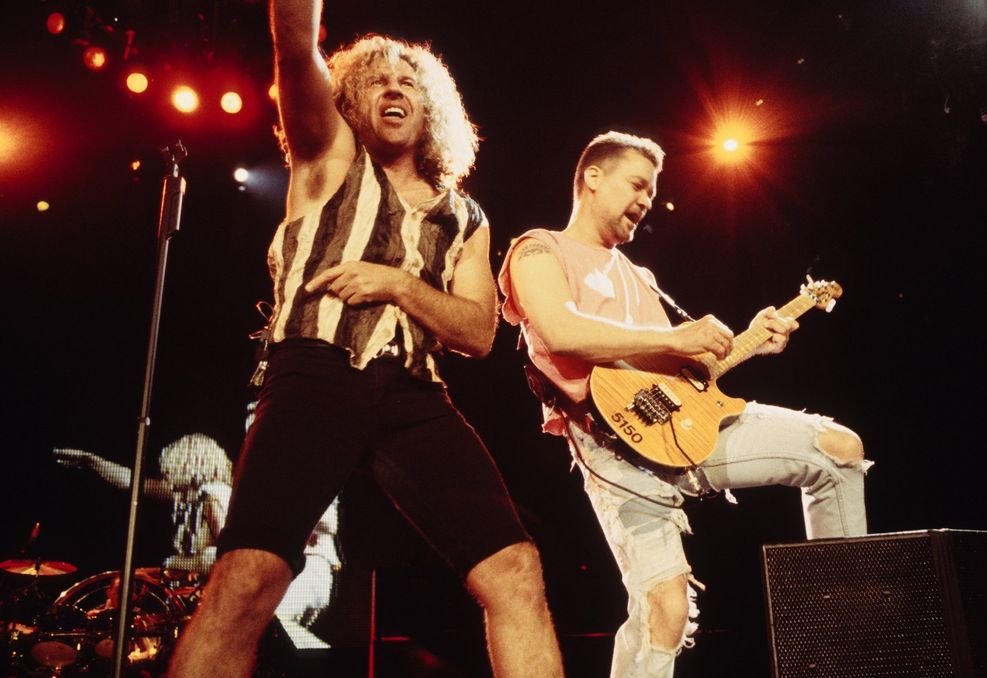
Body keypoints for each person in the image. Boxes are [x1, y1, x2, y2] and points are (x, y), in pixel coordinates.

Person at [167, 2, 563, 676]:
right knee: (249, 577)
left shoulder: (465, 215)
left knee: (515, 568)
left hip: (414, 396)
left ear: (431, 105)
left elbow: (478, 334)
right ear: (349, 98)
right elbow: (295, 47)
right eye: (376, 79)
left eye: (409, 80)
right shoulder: (329, 157)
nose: (394, 87)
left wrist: (398, 285)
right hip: (314, 376)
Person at [498, 131, 871, 676]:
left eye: (652, 190)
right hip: (614, 451)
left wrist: (746, 343)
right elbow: (558, 331)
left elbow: (676, 378)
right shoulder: (538, 248)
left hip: (681, 429)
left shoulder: (639, 277)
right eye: (638, 184)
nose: (647, 199)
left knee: (838, 451)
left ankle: (845, 649)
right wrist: (677, 339)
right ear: (592, 177)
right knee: (665, 612)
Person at [53, 434, 341, 648]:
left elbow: (226, 553)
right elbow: (134, 483)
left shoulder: (212, 494)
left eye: (170, 466)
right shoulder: (196, 495)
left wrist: (172, 565)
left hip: (294, 587)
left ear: (186, 465)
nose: (165, 474)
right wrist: (92, 462)